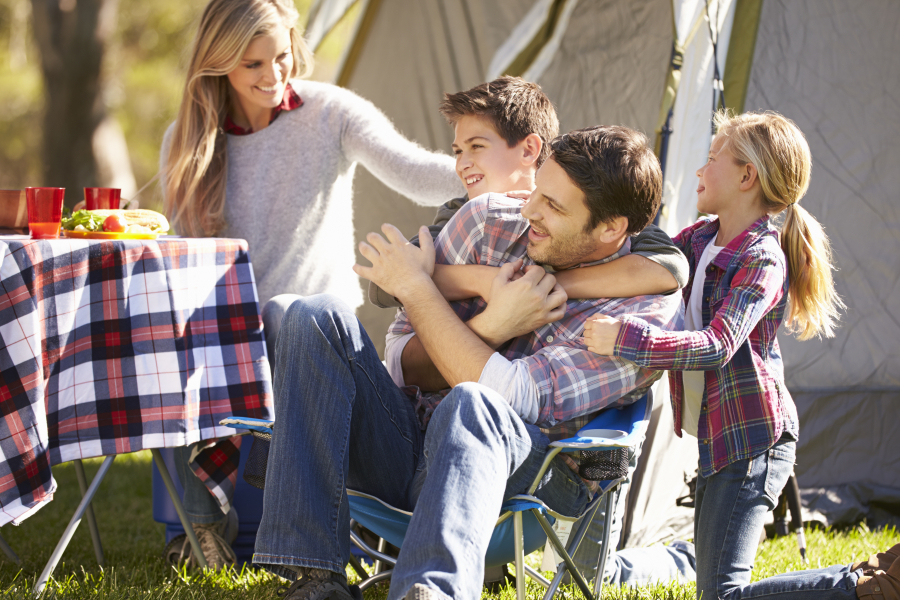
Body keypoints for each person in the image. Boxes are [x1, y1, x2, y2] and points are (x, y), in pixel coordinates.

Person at [253, 124, 683, 600]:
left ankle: (431, 592)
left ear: (610, 228)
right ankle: (315, 579)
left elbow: (511, 395)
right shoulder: (490, 222)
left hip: (528, 478)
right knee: (315, 315)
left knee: (472, 403)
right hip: (409, 442)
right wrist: (492, 326)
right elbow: (398, 361)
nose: (529, 210)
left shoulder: (643, 318)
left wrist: (417, 289)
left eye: (554, 207)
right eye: (538, 190)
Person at [157, 0, 463, 568]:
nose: (275, 75)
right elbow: (187, 261)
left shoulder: (330, 112)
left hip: (317, 342)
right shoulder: (187, 140)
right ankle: (203, 527)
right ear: (219, 64)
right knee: (174, 334)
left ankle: (252, 511)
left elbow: (417, 173)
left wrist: (492, 169)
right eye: (254, 65)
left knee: (286, 311)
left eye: (283, 56)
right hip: (232, 347)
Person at [583, 111, 897, 599]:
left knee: (724, 595)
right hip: (721, 440)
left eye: (712, 159)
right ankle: (868, 582)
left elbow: (716, 346)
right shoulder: (699, 240)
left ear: (746, 177)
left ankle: (865, 585)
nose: (700, 171)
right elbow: (644, 255)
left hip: (755, 441)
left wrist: (624, 338)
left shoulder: (763, 257)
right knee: (718, 591)